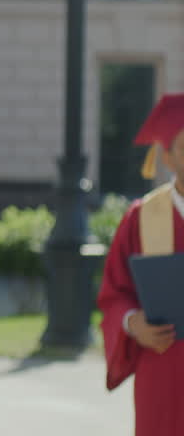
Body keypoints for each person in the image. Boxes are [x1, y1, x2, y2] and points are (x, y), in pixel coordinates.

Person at [98, 92, 183, 436]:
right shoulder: (142, 217)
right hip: (164, 369)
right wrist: (134, 325)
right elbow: (114, 295)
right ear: (166, 156)